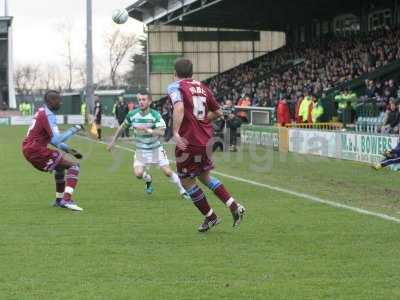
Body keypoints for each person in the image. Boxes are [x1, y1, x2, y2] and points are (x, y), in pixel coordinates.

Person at [168, 58, 245, 233]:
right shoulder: (202, 87)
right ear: (192, 73)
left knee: (186, 181)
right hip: (205, 140)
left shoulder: (176, 86)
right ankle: (233, 206)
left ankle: (211, 217)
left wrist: (175, 132)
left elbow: (179, 108)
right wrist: (202, 120)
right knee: (204, 176)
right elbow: (218, 112)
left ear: (175, 73)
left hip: (189, 142)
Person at [107, 91, 190, 199]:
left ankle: (183, 190)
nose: (141, 102)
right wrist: (113, 142)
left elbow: (162, 132)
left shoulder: (155, 115)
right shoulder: (132, 114)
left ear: (149, 101)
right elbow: (122, 127)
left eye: (144, 99)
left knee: (167, 172)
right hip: (141, 150)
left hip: (156, 149)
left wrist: (148, 130)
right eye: (140, 100)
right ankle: (148, 179)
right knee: (138, 174)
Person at [21, 90, 84, 211]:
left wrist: (70, 151)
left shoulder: (41, 111)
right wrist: (75, 128)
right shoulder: (49, 115)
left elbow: (52, 140)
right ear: (51, 101)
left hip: (29, 148)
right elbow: (56, 140)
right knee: (74, 166)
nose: (60, 103)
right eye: (59, 100)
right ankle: (66, 200)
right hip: (36, 149)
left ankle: (59, 200)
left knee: (60, 168)